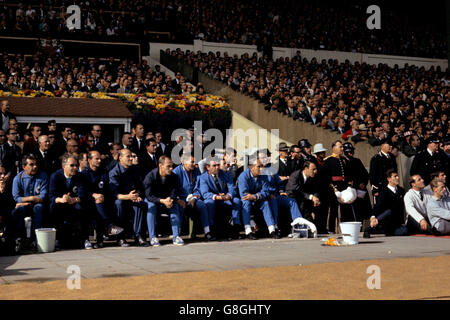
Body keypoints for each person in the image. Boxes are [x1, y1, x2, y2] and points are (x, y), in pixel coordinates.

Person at [258, 150, 315, 238]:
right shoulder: (257, 170)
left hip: (276, 195)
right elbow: (260, 187)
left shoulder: (272, 169)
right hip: (266, 197)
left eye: (267, 157)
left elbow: (279, 183)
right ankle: (274, 228)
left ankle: (298, 225)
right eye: (263, 157)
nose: (266, 159)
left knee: (291, 200)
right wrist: (269, 193)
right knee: (273, 201)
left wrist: (281, 191)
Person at [49, 153, 93, 249]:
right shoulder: (55, 176)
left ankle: (85, 238)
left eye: (76, 165)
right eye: (72, 165)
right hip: (61, 202)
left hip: (75, 202)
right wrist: (61, 199)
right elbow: (52, 195)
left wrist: (73, 200)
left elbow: (82, 195)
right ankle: (57, 239)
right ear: (64, 166)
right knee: (53, 207)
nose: (75, 168)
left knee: (83, 207)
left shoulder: (80, 177)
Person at [81, 150, 124, 248]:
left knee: (106, 204)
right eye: (96, 159)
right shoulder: (84, 174)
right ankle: (108, 226)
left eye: (100, 158)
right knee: (97, 205)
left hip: (103, 199)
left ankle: (103, 239)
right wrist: (94, 195)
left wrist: (101, 196)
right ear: (89, 160)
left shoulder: (104, 172)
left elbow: (107, 188)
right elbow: (83, 191)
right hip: (88, 200)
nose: (99, 161)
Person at [109, 149, 148, 247]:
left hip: (131, 197)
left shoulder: (134, 169)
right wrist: (129, 196)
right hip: (120, 199)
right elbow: (115, 194)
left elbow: (140, 186)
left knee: (139, 204)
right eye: (128, 156)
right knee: (119, 203)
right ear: (120, 158)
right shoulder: (114, 172)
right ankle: (120, 237)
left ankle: (138, 236)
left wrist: (136, 195)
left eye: (132, 156)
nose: (131, 158)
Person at [143, 155, 185, 246]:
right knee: (151, 206)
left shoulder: (174, 176)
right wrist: (162, 200)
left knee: (174, 205)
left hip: (167, 200)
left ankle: (176, 236)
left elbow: (174, 191)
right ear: (160, 165)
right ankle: (152, 237)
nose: (171, 168)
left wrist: (170, 199)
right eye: (168, 166)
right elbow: (149, 195)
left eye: (172, 166)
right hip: (153, 200)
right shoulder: (151, 176)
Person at [199, 156, 242, 240]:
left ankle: (236, 227)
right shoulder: (203, 177)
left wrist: (228, 196)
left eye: (218, 165)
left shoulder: (225, 174)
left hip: (225, 199)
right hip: (214, 199)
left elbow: (232, 188)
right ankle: (211, 230)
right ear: (208, 167)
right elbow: (205, 193)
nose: (217, 167)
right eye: (214, 166)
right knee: (209, 202)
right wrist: (217, 197)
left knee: (237, 200)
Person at [11, 154, 48, 251]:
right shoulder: (17, 179)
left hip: (37, 205)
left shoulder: (43, 176)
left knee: (38, 208)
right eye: (31, 165)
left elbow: (43, 196)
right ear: (24, 167)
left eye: (36, 164)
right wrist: (32, 198)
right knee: (19, 209)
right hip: (24, 206)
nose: (35, 167)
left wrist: (27, 199)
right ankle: (19, 239)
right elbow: (16, 198)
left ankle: (35, 239)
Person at [173, 154, 211, 240]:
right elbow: (174, 189)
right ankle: (177, 233)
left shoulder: (196, 171)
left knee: (202, 205)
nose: (194, 164)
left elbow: (198, 187)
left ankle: (207, 231)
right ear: (183, 162)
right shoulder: (176, 172)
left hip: (193, 198)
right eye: (192, 162)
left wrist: (194, 198)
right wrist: (180, 199)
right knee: (179, 207)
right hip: (181, 198)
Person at [237, 156, 276, 240]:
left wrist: (255, 196)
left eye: (262, 166)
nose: (261, 169)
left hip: (257, 199)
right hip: (247, 200)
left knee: (265, 203)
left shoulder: (263, 176)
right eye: (259, 166)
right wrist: (255, 196)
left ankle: (272, 230)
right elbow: (244, 194)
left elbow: (266, 191)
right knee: (246, 203)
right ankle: (248, 231)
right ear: (251, 167)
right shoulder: (243, 176)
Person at [321, 140, 354, 233]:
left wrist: (348, 185)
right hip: (334, 188)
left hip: (344, 186)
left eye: (342, 147)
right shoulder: (328, 160)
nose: (342, 149)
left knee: (345, 209)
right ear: (334, 148)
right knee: (333, 209)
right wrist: (333, 187)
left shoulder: (344, 160)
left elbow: (347, 174)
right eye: (340, 147)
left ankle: (346, 229)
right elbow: (326, 176)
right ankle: (331, 229)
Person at [364, 169, 408, 238]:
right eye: (395, 176)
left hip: (397, 222)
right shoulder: (384, 191)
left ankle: (387, 231)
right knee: (389, 211)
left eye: (397, 176)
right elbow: (377, 205)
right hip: (385, 220)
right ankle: (369, 229)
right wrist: (373, 217)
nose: (397, 178)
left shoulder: (401, 190)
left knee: (405, 231)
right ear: (389, 179)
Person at [285, 161, 323, 233]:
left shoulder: (313, 177)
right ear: (306, 168)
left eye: (316, 169)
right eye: (313, 169)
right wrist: (311, 197)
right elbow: (295, 190)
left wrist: (315, 198)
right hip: (293, 197)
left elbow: (316, 189)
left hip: (305, 198)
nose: (315, 171)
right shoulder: (296, 175)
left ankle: (321, 228)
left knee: (320, 205)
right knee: (303, 206)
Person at [343, 142, 371, 222]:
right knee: (350, 212)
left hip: (360, 189)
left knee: (361, 210)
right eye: (348, 152)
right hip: (349, 189)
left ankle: (361, 225)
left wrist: (363, 183)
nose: (350, 154)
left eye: (351, 152)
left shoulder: (357, 161)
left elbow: (365, 174)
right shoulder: (342, 162)